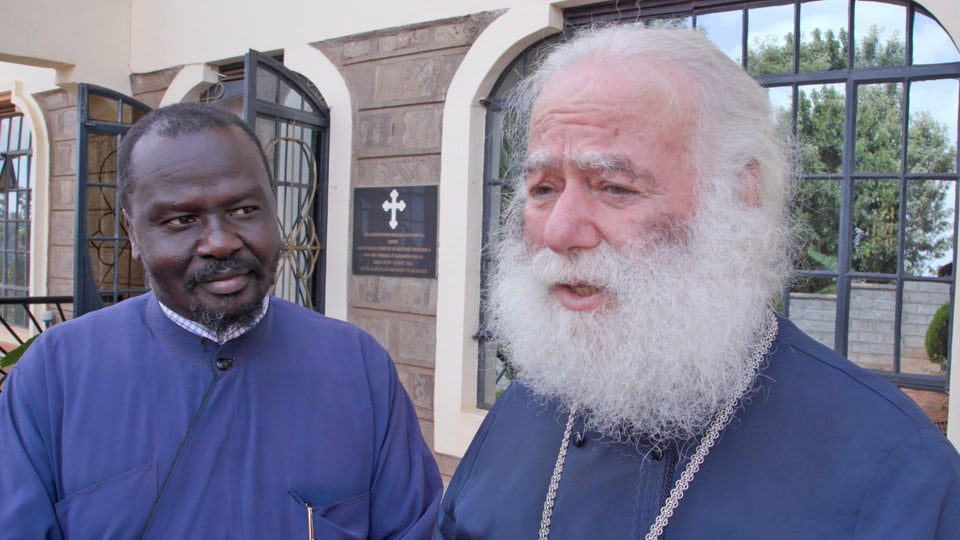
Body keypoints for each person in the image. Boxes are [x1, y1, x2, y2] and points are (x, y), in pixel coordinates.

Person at [436, 25, 960, 538]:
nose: (559, 231)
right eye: (544, 187)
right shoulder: (518, 411)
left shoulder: (893, 471)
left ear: (738, 195)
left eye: (615, 187)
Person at [0, 103, 441, 538]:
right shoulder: (55, 374)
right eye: (182, 219)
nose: (220, 243)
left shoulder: (358, 366)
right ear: (133, 234)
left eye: (244, 210)